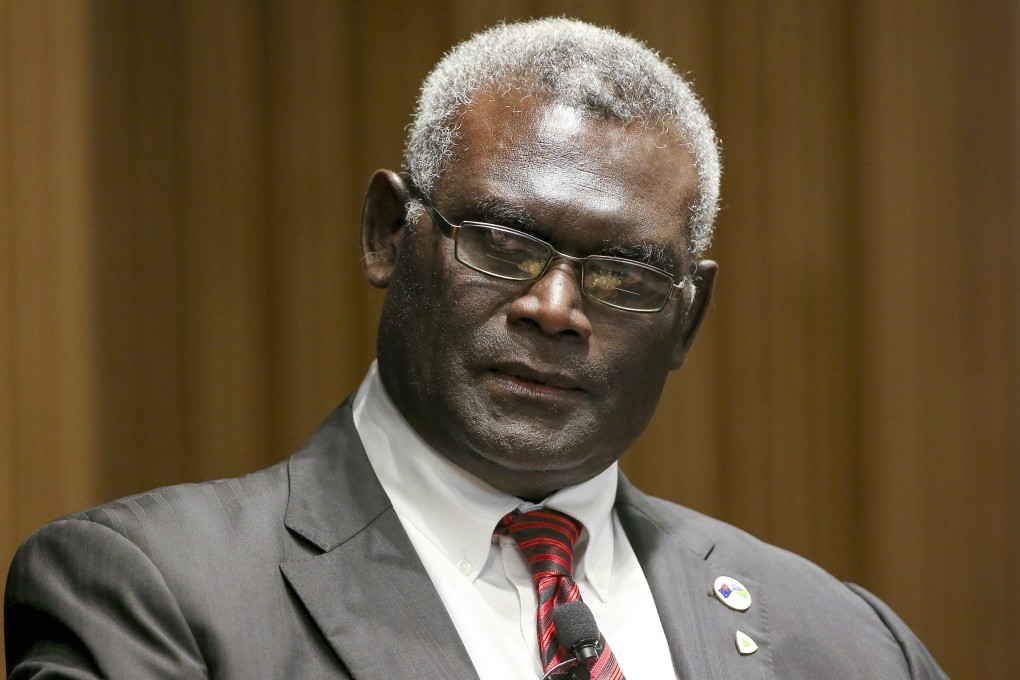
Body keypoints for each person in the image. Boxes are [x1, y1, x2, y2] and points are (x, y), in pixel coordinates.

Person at [4, 18, 946, 680]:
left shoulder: (848, 644)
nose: (555, 308)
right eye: (501, 243)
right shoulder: (158, 598)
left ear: (688, 319)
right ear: (387, 233)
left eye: (623, 273)